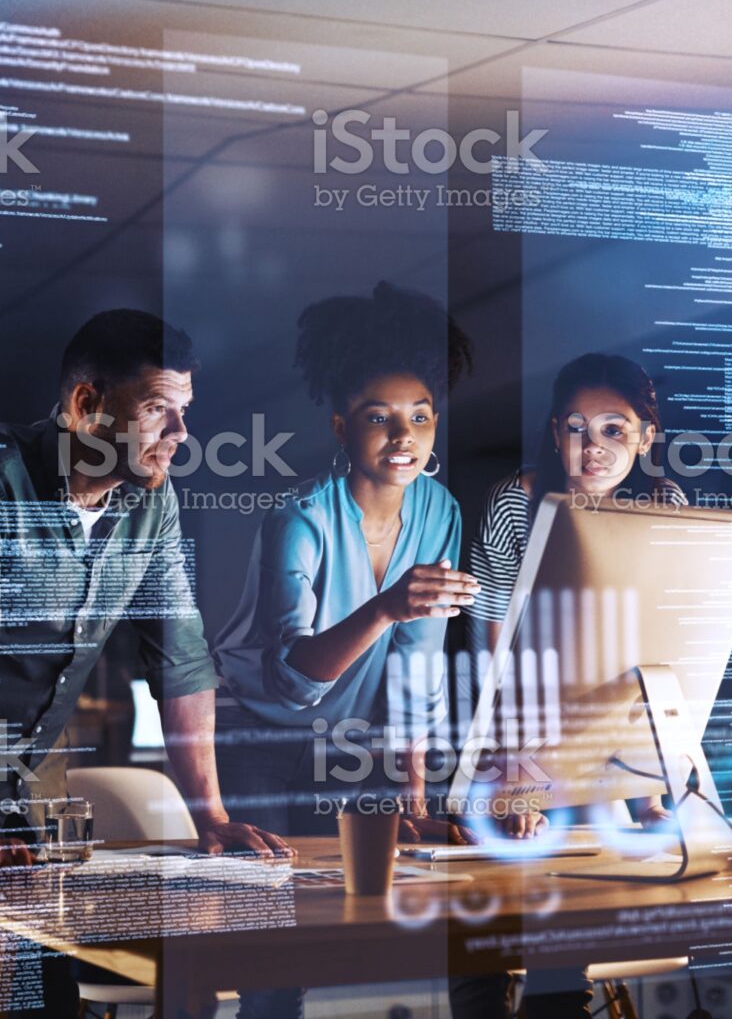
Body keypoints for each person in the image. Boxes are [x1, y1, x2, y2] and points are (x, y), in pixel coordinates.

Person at [0, 308, 291, 867]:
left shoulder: (152, 502)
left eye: (184, 411)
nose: (181, 434)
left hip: (33, 783)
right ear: (86, 406)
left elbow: (181, 662)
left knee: (22, 949)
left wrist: (213, 820)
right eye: (157, 409)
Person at [211, 281, 492, 1018]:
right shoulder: (298, 518)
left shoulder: (440, 510)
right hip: (256, 728)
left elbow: (416, 668)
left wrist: (415, 799)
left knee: (376, 913)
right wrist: (386, 606)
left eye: (420, 418)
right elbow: (292, 678)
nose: (403, 437)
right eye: (379, 418)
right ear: (341, 428)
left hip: (350, 735)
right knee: (275, 955)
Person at [458, 352, 687, 1019]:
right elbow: (490, 652)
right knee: (488, 937)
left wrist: (651, 775)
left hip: (606, 738)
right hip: (512, 730)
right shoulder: (517, 501)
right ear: (556, 432)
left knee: (572, 927)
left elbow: (662, 646)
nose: (594, 449)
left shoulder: (661, 504)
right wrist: (516, 773)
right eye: (578, 429)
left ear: (646, 437)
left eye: (616, 430)